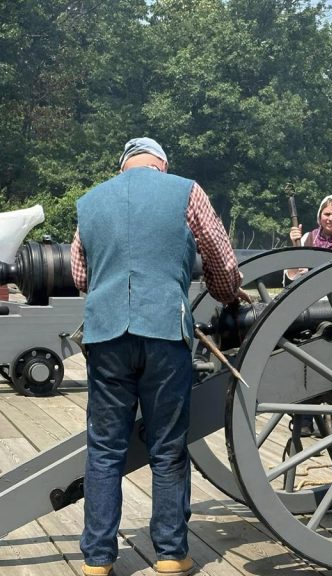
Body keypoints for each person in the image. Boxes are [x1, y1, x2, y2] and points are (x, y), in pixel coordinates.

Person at [71, 137, 249, 576]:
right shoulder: (185, 191)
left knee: (105, 449)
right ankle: (171, 553)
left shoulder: (89, 201)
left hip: (107, 334)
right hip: (165, 332)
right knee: (167, 448)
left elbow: (80, 275)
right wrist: (228, 297)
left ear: (124, 165)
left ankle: (97, 559)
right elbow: (220, 259)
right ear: (162, 164)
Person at [286, 194, 332, 436]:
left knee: (325, 365)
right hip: (307, 307)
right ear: (320, 216)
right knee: (304, 362)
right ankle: (306, 418)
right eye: (327, 214)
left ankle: (318, 416)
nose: (330, 218)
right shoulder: (308, 238)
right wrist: (294, 245)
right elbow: (293, 274)